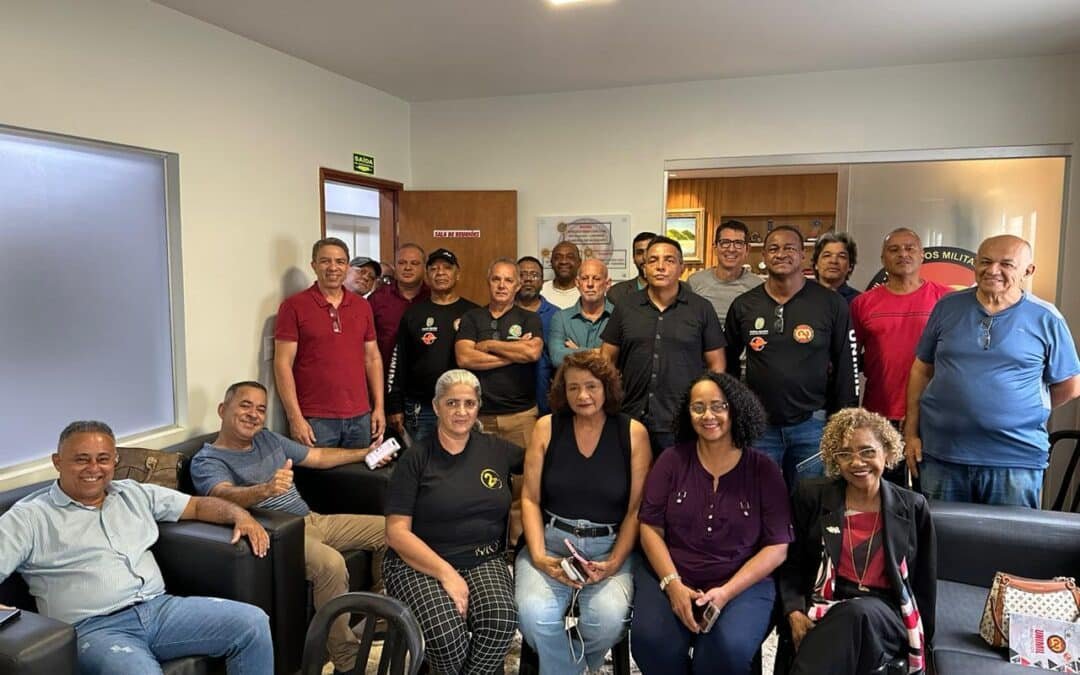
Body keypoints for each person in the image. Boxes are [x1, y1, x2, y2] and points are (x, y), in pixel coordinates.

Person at [0, 421, 273, 675]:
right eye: (81, 459)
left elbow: (197, 505)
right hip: (93, 630)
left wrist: (240, 516)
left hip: (160, 609)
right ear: (57, 462)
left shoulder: (133, 493)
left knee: (252, 622)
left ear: (115, 461)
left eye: (103, 459)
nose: (94, 468)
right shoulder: (29, 517)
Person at [190, 381, 389, 675]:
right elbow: (221, 495)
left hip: (312, 519)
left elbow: (317, 457)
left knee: (390, 530)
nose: (254, 414)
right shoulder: (208, 460)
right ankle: (347, 661)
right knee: (331, 564)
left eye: (261, 409)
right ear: (223, 409)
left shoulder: (268, 439)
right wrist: (265, 490)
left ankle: (381, 616)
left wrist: (366, 453)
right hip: (281, 536)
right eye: (245, 405)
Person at [631, 373, 791, 675]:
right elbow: (650, 528)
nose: (708, 415)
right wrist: (672, 584)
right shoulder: (671, 461)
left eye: (719, 406)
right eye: (698, 407)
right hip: (671, 574)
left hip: (741, 583)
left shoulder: (764, 470)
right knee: (650, 643)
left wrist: (727, 592)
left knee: (726, 651)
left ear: (736, 409)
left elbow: (777, 547)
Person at [905, 234, 1080, 507]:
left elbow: (1070, 386)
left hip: (1015, 461)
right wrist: (911, 434)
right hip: (942, 455)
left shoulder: (1047, 317)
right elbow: (921, 370)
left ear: (1028, 270)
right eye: (985, 261)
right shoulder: (947, 307)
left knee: (1011, 535)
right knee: (941, 534)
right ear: (975, 264)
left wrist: (1018, 411)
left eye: (1006, 264)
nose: (993, 270)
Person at [515, 351, 651, 675]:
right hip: (551, 544)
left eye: (591, 386)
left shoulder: (633, 433)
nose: (582, 395)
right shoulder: (546, 427)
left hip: (610, 548)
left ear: (607, 388)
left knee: (607, 620)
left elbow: (636, 509)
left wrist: (615, 562)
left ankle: (560, 666)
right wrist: (539, 557)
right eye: (573, 387)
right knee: (534, 617)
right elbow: (530, 499)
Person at [383, 370, 521, 675]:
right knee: (447, 638)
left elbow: (545, 462)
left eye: (469, 403)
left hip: (483, 558)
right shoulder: (415, 458)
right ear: (436, 406)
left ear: (478, 406)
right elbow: (396, 533)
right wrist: (447, 574)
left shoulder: (496, 449)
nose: (461, 411)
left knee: (501, 620)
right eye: (452, 403)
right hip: (417, 562)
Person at [779, 408, 935, 675]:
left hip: (885, 613)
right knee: (846, 631)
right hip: (824, 605)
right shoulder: (811, 496)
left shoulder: (913, 507)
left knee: (856, 613)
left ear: (887, 452)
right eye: (845, 454)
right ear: (834, 459)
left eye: (867, 451)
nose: (857, 462)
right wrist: (793, 612)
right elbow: (792, 564)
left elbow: (924, 581)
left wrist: (925, 643)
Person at [725, 226, 859, 488]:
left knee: (810, 501)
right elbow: (726, 366)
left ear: (803, 254)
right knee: (759, 499)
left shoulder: (831, 303)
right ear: (764, 255)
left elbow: (847, 365)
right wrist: (735, 415)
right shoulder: (744, 305)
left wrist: (845, 422)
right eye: (773, 249)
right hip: (759, 427)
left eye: (789, 248)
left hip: (813, 425)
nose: (781, 254)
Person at [601, 236, 726, 454]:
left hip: (682, 420)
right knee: (632, 475)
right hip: (630, 417)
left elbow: (717, 365)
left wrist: (704, 407)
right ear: (644, 267)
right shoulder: (625, 307)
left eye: (669, 260)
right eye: (653, 260)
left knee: (678, 476)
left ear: (681, 268)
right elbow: (606, 359)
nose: (660, 266)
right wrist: (613, 398)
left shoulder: (701, 308)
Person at [850, 228, 951, 484]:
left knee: (931, 496)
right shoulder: (862, 304)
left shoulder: (947, 300)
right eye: (893, 250)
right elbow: (850, 359)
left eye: (909, 248)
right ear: (883, 258)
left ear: (922, 255)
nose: (902, 254)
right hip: (879, 415)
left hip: (932, 414)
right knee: (883, 494)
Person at [274, 237, 385, 449]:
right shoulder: (293, 306)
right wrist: (294, 417)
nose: (333, 267)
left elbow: (372, 358)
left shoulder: (362, 306)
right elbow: (282, 364)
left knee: (359, 471)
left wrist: (379, 407)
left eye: (340, 261)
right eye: (325, 261)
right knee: (315, 473)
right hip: (314, 419)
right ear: (314, 265)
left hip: (360, 417)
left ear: (347, 266)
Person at [387, 248, 478, 444]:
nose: (440, 273)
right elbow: (399, 361)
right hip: (421, 408)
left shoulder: (474, 313)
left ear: (457, 274)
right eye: (434, 269)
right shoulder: (413, 314)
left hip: (462, 405)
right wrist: (395, 405)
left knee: (463, 458)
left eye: (447, 268)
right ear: (427, 276)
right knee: (422, 459)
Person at [369, 243, 431, 373]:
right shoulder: (377, 299)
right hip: (385, 376)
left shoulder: (434, 297)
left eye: (414, 263)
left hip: (426, 376)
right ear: (395, 266)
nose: (408, 268)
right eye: (402, 263)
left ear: (425, 268)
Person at [687, 219, 763, 325]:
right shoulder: (695, 282)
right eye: (725, 243)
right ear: (715, 248)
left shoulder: (758, 286)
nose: (731, 249)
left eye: (738, 243)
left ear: (747, 250)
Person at [547, 258, 613, 368]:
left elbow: (620, 358)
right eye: (585, 278)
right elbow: (557, 358)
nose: (590, 284)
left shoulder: (619, 317)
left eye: (596, 279)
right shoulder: (561, 318)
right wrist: (598, 352)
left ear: (607, 284)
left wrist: (577, 350)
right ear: (577, 283)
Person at [517, 255, 561, 415]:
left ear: (542, 282)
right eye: (522, 274)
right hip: (510, 400)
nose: (528, 279)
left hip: (545, 400)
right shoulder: (503, 313)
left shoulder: (557, 315)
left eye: (534, 275)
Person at [607, 231, 656, 306]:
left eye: (650, 251)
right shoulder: (616, 293)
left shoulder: (673, 291)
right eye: (640, 253)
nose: (645, 257)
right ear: (633, 258)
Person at [813, 231, 861, 304]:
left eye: (841, 256)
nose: (834, 261)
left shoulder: (859, 301)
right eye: (827, 255)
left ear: (850, 266)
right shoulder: (802, 298)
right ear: (816, 264)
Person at [542, 241, 583, 309]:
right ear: (551, 263)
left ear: (579, 262)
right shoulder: (541, 291)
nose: (564, 261)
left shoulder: (587, 291)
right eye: (558, 257)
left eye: (570, 257)